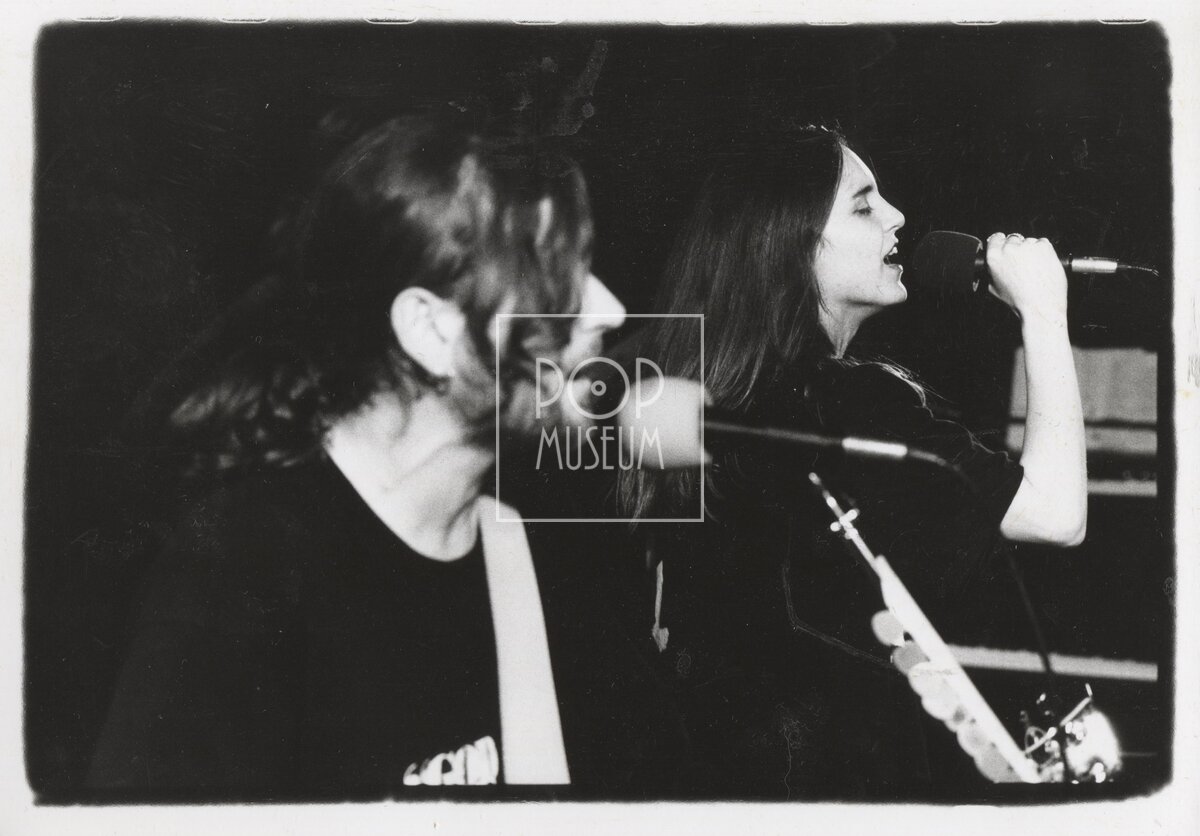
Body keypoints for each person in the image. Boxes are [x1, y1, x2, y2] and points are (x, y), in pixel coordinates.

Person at [85, 115, 649, 797]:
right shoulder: (240, 574)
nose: (611, 309)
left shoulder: (546, 556)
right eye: (555, 278)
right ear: (430, 330)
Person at [617, 126, 1087, 798]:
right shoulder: (840, 404)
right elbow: (1056, 514)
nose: (898, 216)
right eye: (864, 206)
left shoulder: (708, 393)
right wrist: (1044, 314)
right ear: (791, 244)